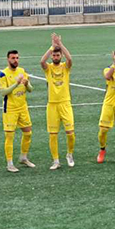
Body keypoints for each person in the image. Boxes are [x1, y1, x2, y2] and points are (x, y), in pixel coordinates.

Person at [41, 33, 75, 170]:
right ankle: (55, 160)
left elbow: (70, 59)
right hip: (52, 105)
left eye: (57, 55)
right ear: (51, 56)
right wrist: (52, 46)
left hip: (65, 103)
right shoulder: (48, 68)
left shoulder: (65, 67)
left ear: (61, 56)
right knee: (53, 135)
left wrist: (60, 45)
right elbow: (41, 62)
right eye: (54, 55)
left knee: (70, 133)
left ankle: (69, 154)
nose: (55, 57)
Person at [0, 50, 34, 173]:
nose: (15, 60)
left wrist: (27, 83)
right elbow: (3, 92)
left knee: (28, 133)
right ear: (8, 59)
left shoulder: (22, 71)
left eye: (17, 58)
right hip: (10, 109)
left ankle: (23, 157)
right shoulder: (3, 74)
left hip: (22, 108)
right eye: (13, 58)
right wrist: (16, 83)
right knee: (10, 136)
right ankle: (9, 164)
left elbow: (30, 89)